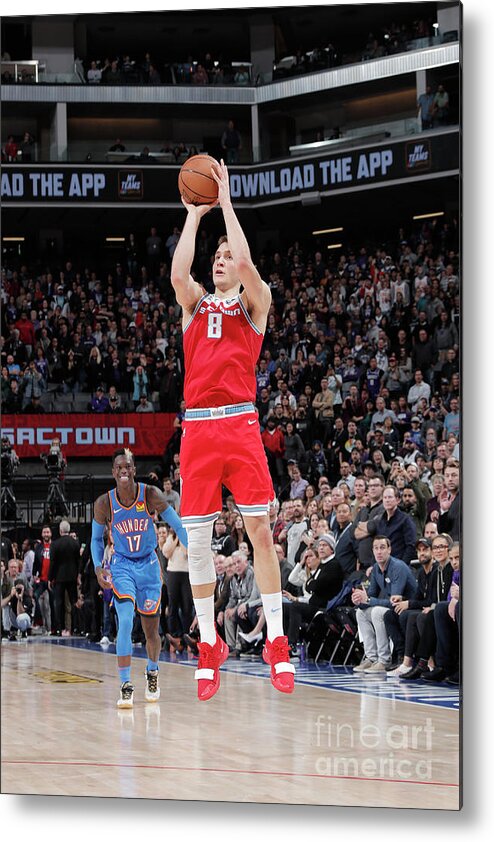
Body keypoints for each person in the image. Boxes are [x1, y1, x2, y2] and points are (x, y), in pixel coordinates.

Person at [170, 157, 295, 700]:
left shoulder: (254, 304)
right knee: (196, 540)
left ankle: (277, 641)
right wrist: (195, 217)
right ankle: (209, 644)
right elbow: (178, 274)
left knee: (260, 532)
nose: (221, 261)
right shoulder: (194, 305)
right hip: (198, 430)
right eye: (216, 257)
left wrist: (223, 202)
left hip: (241, 425)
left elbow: (245, 260)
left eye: (225, 256)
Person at [91, 447, 188, 708]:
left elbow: (176, 524)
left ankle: (153, 671)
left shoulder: (150, 494)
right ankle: (125, 684)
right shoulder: (104, 503)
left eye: (128, 466)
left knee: (151, 630)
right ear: (113, 472)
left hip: (148, 565)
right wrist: (100, 568)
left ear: (134, 470)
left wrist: (191, 547)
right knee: (124, 621)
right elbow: (95, 540)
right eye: (119, 467)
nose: (124, 470)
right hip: (121, 565)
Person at [352, 536, 417, 673]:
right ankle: (371, 657)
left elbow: (395, 602)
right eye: (376, 548)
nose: (379, 552)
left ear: (389, 550)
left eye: (382, 548)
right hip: (393, 608)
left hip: (409, 606)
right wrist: (360, 600)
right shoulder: (376, 568)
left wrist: (368, 600)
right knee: (360, 612)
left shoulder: (397, 567)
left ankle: (384, 660)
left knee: (376, 611)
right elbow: (371, 595)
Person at [49, 520, 81, 636]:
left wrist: (50, 578)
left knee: (59, 603)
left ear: (60, 530)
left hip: (59, 577)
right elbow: (78, 561)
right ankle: (75, 627)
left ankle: (60, 629)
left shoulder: (55, 544)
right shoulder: (75, 543)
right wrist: (78, 574)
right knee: (73, 602)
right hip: (72, 577)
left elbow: (52, 563)